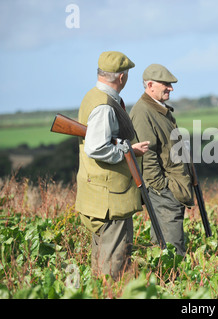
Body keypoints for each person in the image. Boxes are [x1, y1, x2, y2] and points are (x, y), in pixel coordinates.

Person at [75, 51, 150, 280]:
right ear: (121, 78)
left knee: (102, 261)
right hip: (110, 198)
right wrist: (129, 151)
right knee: (114, 267)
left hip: (99, 194)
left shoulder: (92, 96)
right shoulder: (105, 106)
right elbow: (96, 147)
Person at [130, 64, 194, 256]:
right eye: (166, 84)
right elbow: (147, 154)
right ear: (150, 85)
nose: (171, 88)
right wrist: (163, 187)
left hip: (170, 188)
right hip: (163, 191)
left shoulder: (158, 109)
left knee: (164, 248)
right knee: (171, 251)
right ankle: (168, 282)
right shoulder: (143, 112)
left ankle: (163, 281)